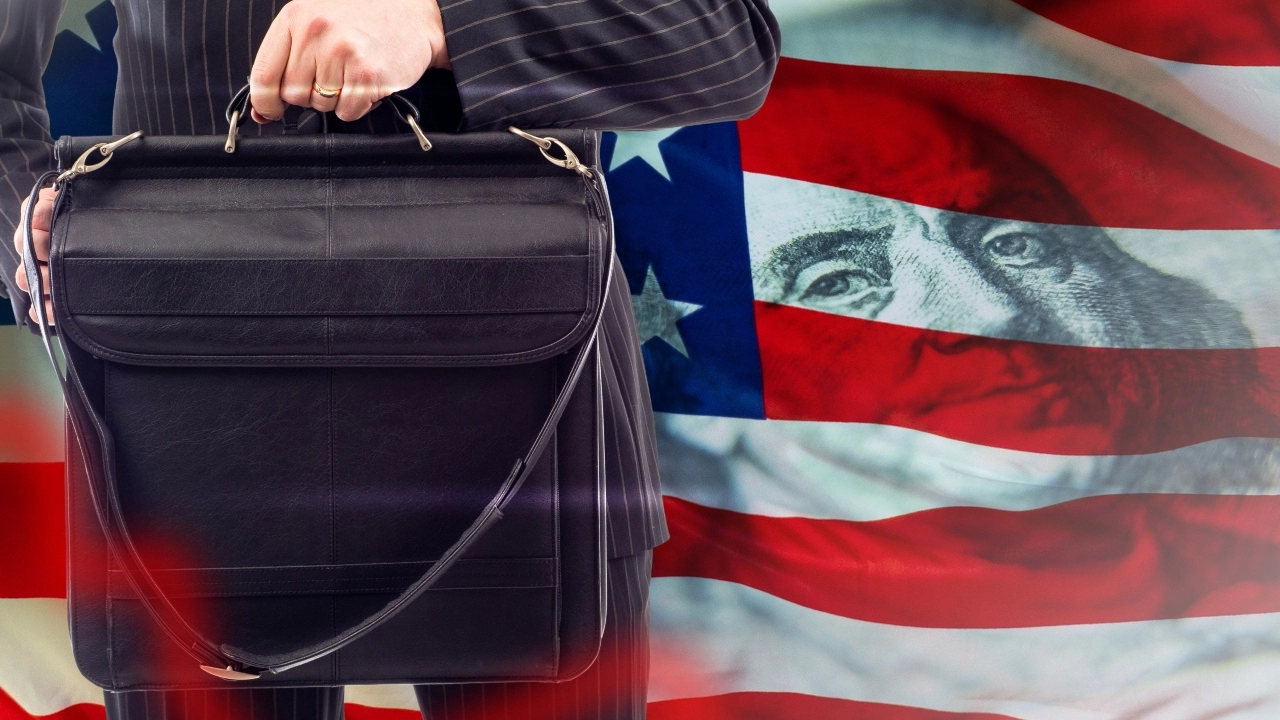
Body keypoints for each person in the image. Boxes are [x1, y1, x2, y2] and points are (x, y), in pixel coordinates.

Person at [0, 0, 782, 718]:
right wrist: (35, 232)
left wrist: (443, 26)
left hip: (534, 414)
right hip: (184, 415)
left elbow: (723, 39)